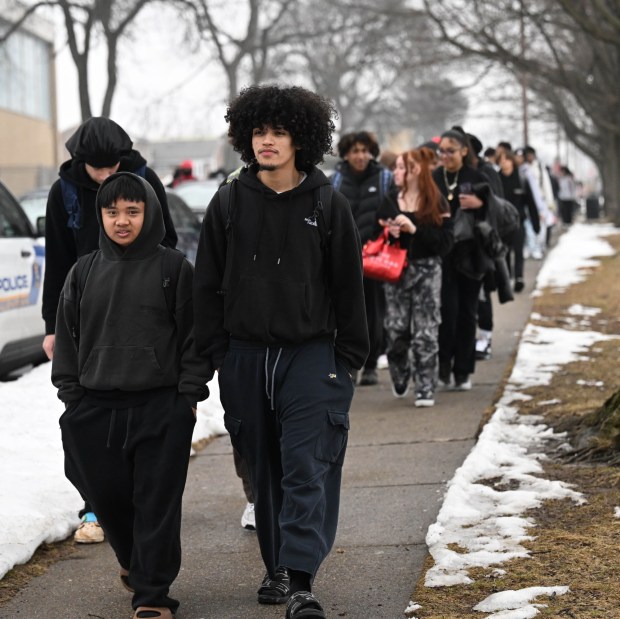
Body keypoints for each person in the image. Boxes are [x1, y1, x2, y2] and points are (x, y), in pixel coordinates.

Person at [193, 84, 369, 619]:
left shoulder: (328, 204)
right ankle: (278, 566)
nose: (267, 141)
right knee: (263, 468)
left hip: (311, 357)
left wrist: (346, 362)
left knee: (305, 466)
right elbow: (206, 286)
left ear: (302, 139)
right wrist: (217, 356)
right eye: (259, 131)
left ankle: (299, 579)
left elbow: (349, 289)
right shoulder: (227, 201)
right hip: (244, 358)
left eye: (280, 131)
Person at [52, 173, 208, 619]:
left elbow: (194, 337)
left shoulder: (174, 268)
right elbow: (67, 336)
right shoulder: (83, 271)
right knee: (108, 499)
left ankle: (152, 594)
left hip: (160, 405)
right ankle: (132, 561)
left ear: (150, 214)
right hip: (94, 406)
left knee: (156, 503)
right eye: (112, 212)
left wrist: (188, 396)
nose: (122, 221)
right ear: (100, 216)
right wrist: (72, 396)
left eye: (133, 212)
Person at [42, 116, 178, 544]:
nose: (105, 176)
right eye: (96, 169)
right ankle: (94, 505)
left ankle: (134, 498)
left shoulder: (143, 178)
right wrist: (52, 326)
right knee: (83, 418)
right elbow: (58, 259)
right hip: (85, 312)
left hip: (140, 310)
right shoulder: (63, 191)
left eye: (110, 167)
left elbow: (167, 240)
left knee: (139, 417)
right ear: (80, 162)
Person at [377, 148, 454, 406]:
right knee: (396, 330)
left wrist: (415, 229)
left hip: (427, 271)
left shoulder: (436, 201)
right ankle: (400, 371)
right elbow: (374, 234)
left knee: (426, 331)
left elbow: (444, 244)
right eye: (396, 167)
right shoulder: (389, 200)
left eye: (401, 167)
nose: (395, 172)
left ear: (415, 171)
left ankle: (425, 385)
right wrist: (391, 233)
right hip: (396, 270)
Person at [330, 130, 393, 386]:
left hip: (374, 258)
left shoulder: (384, 179)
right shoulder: (335, 181)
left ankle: (370, 364)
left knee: (374, 313)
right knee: (343, 313)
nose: (360, 156)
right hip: (343, 258)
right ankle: (349, 362)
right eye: (355, 151)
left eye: (364, 150)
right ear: (346, 153)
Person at [432, 127, 491, 390]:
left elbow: (494, 214)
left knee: (467, 313)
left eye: (450, 151)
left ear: (464, 151)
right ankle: (444, 365)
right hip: (442, 255)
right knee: (446, 310)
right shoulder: (434, 178)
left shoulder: (476, 177)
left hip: (470, 255)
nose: (445, 155)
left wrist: (481, 205)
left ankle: (463, 370)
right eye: (441, 151)